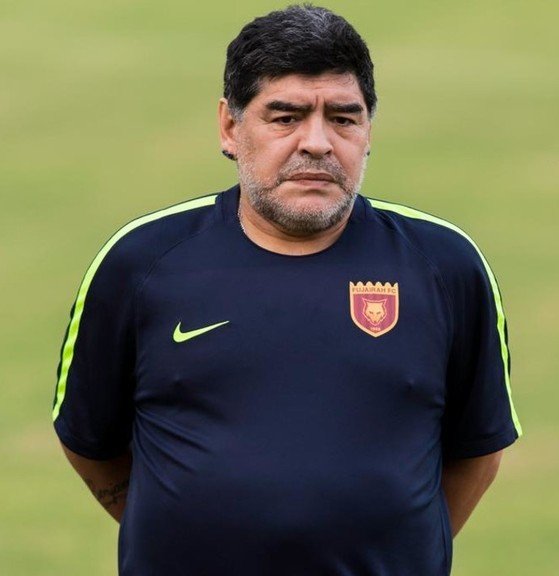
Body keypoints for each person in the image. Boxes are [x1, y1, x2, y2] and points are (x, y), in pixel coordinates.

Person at [51, 5, 522, 575]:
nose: (317, 143)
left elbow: (478, 450)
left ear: (369, 131)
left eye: (343, 118)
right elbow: (89, 440)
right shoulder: (141, 263)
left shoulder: (446, 266)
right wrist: (175, 527)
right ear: (230, 127)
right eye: (285, 117)